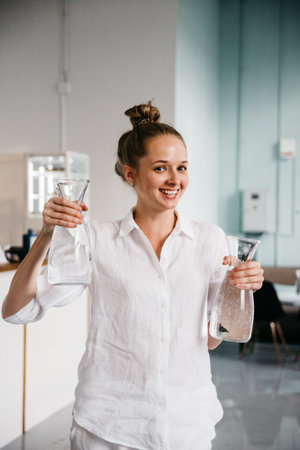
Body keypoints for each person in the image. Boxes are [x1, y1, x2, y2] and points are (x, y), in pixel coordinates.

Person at [2, 101, 264, 450]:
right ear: (130, 174)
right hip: (108, 427)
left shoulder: (210, 240)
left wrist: (241, 289)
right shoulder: (97, 239)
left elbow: (213, 339)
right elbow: (16, 310)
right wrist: (47, 234)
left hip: (187, 427)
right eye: (160, 168)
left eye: (182, 167)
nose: (175, 180)